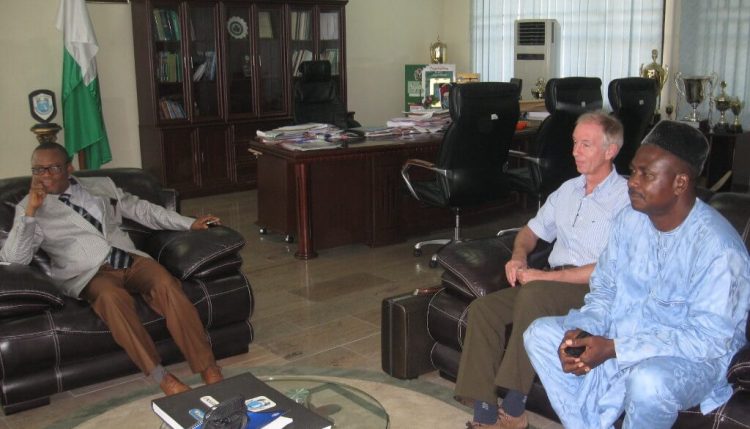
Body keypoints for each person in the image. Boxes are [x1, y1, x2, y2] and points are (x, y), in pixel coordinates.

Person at [524, 120, 750, 429]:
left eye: (647, 174)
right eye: (634, 170)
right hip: (622, 332)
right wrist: (583, 331)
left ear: (680, 183)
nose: (633, 182)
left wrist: (615, 348)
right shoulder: (629, 220)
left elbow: (707, 341)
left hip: (692, 360)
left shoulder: (720, 250)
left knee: (648, 381)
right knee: (540, 334)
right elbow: (604, 290)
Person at [0, 142, 226, 396]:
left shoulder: (100, 186)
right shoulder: (29, 208)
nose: (45, 176)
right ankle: (162, 377)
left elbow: (143, 210)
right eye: (38, 170)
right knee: (111, 298)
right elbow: (14, 259)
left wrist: (189, 223)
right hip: (88, 273)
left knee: (166, 284)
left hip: (129, 259)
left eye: (52, 168)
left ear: (69, 168)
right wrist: (30, 212)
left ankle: (208, 367)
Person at [458, 111, 631, 429]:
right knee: (483, 309)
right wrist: (519, 256)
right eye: (575, 143)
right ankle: (484, 414)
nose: (575, 151)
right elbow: (530, 231)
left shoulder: (627, 199)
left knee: (534, 293)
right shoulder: (568, 190)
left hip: (592, 290)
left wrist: (545, 277)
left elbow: (612, 268)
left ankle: (513, 407)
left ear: (610, 151)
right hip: (549, 285)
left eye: (586, 145)